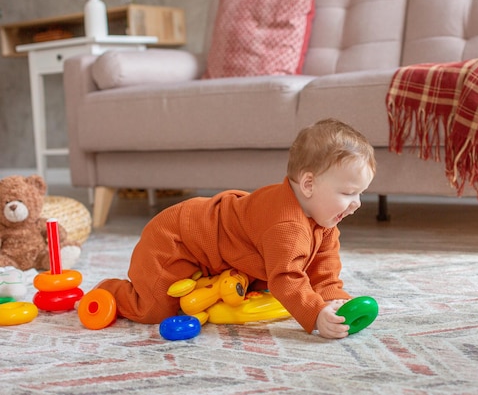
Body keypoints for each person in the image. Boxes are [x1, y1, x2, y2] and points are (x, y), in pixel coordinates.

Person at [95, 118, 376, 339]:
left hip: (221, 251)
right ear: (309, 185)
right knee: (156, 308)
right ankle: (112, 290)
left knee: (244, 286)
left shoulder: (325, 218)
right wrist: (315, 315)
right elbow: (285, 279)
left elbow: (323, 270)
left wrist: (335, 302)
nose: (357, 204)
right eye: (349, 192)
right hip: (177, 239)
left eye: (360, 193)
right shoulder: (286, 226)